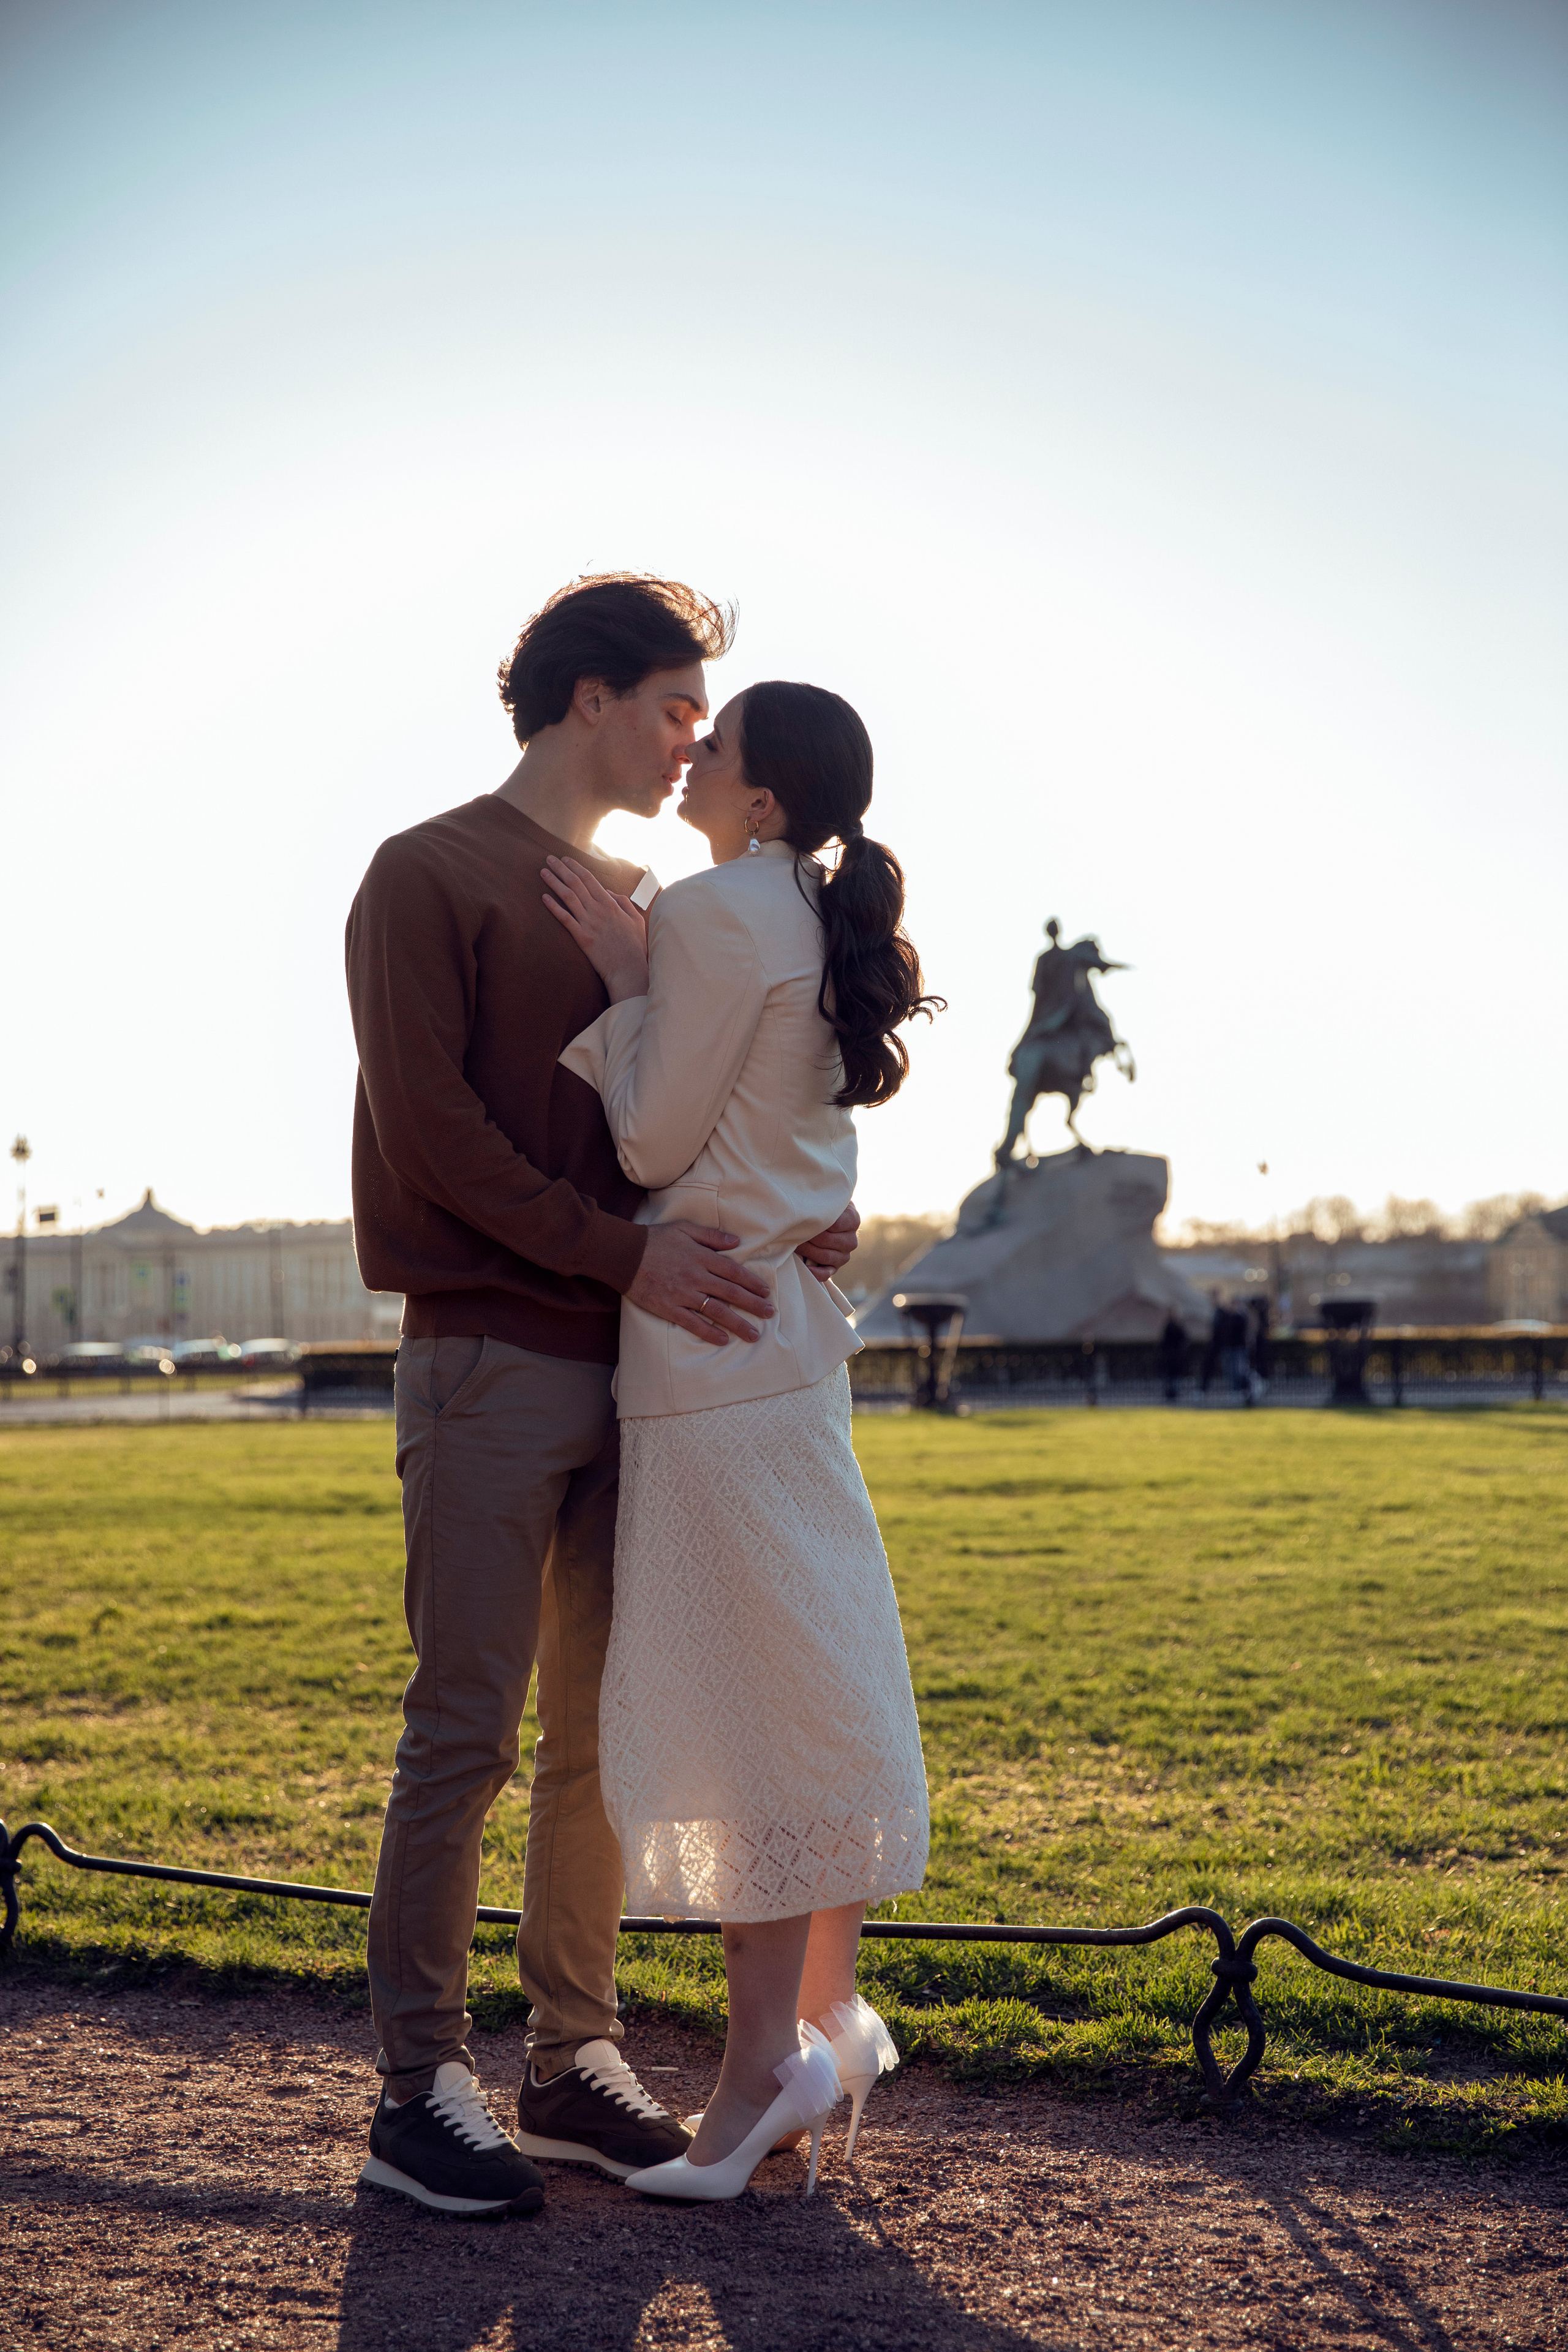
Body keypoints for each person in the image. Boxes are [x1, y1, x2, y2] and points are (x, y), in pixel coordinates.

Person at [344, 577, 861, 2218]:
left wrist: (806, 1216)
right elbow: (433, 1135)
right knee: (466, 1731)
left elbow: (725, 1114)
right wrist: (624, 1258)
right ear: (589, 701)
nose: (693, 740)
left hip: (644, 1375)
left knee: (598, 1745)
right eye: (673, 707)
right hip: (493, 1354)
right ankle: (419, 2086)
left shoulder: (664, 900)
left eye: (706, 719)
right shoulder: (424, 873)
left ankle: (570, 2061)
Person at [541, 678, 937, 2201]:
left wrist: (628, 982)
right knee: (810, 1685)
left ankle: (762, 2071)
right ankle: (825, 2021)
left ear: (762, 799)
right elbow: (797, 1144)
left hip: (705, 1368)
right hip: (789, 1357)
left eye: (714, 747)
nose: (690, 756)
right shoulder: (822, 918)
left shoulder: (712, 910)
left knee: (748, 1715)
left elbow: (649, 1141)